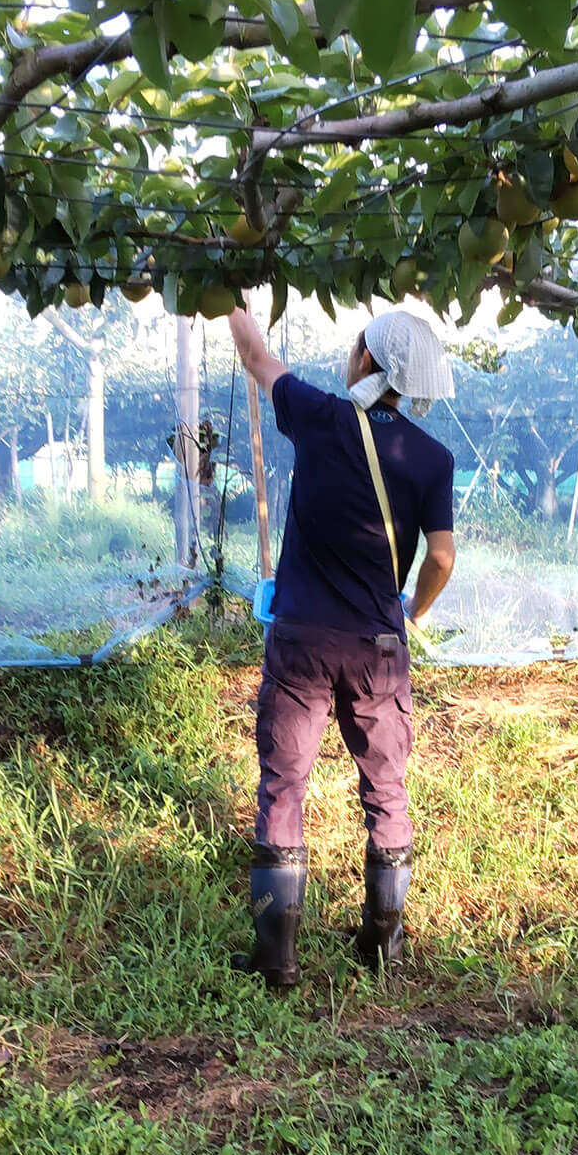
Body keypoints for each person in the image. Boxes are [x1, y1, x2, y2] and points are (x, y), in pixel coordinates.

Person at [226, 301, 457, 989]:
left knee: (283, 787)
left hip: (302, 639)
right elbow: (442, 557)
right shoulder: (433, 458)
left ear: (365, 359)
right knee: (386, 789)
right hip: (378, 647)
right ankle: (382, 945)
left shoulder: (320, 416)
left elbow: (255, 356)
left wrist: (227, 295)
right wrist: (411, 609)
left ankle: (277, 959)